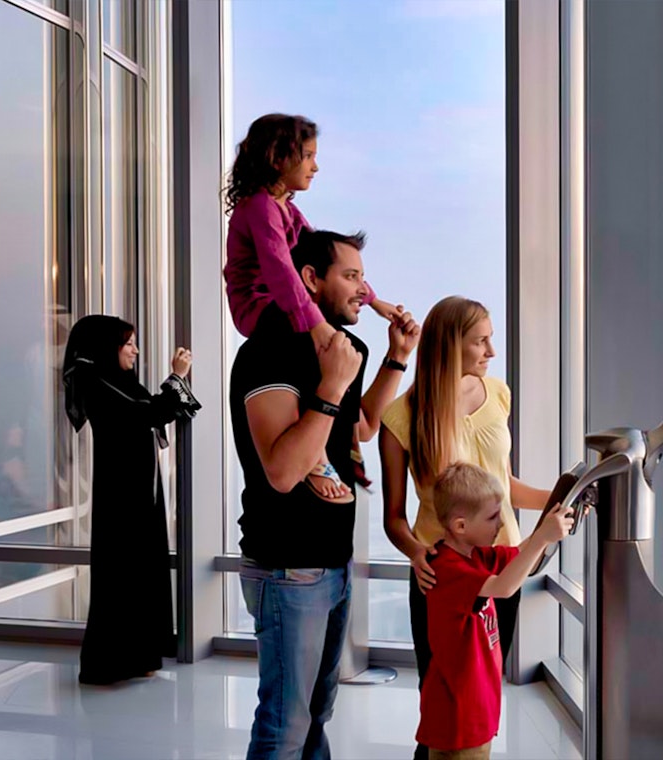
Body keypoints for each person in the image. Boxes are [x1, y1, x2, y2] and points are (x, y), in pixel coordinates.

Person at [230, 229, 419, 760]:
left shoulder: (347, 349)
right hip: (287, 566)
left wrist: (396, 356)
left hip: (332, 563)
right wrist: (332, 384)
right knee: (284, 724)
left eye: (363, 276)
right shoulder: (266, 352)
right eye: (351, 276)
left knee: (316, 714)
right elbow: (285, 471)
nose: (364, 290)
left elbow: (358, 427)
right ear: (310, 281)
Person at [379, 296, 553, 760]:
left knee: (481, 693)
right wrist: (418, 554)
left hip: (502, 569)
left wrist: (557, 497)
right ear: (450, 346)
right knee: (440, 700)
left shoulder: (497, 393)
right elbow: (393, 518)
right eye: (481, 341)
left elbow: (503, 485)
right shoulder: (400, 418)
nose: (491, 351)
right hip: (443, 578)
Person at [224, 113, 403, 504]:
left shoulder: (286, 209)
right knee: (316, 349)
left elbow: (319, 259)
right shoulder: (258, 208)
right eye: (307, 156)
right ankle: (315, 458)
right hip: (257, 304)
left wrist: (373, 302)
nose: (315, 166)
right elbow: (283, 271)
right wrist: (318, 326)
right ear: (277, 158)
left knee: (322, 355)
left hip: (279, 301)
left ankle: (317, 444)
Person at [61, 315, 200, 685]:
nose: (135, 350)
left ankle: (138, 656)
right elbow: (149, 413)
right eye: (128, 344)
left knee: (138, 569)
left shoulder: (117, 382)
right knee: (121, 573)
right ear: (108, 347)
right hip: (121, 496)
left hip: (137, 491)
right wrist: (177, 376)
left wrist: (173, 386)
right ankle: (108, 663)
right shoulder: (96, 382)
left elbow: (152, 410)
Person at [417, 463, 573, 760]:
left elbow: (519, 555)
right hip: (457, 718)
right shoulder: (447, 568)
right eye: (492, 517)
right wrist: (543, 538)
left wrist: (550, 528)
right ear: (460, 526)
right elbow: (504, 588)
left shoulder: (477, 555)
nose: (501, 524)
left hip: (475, 708)